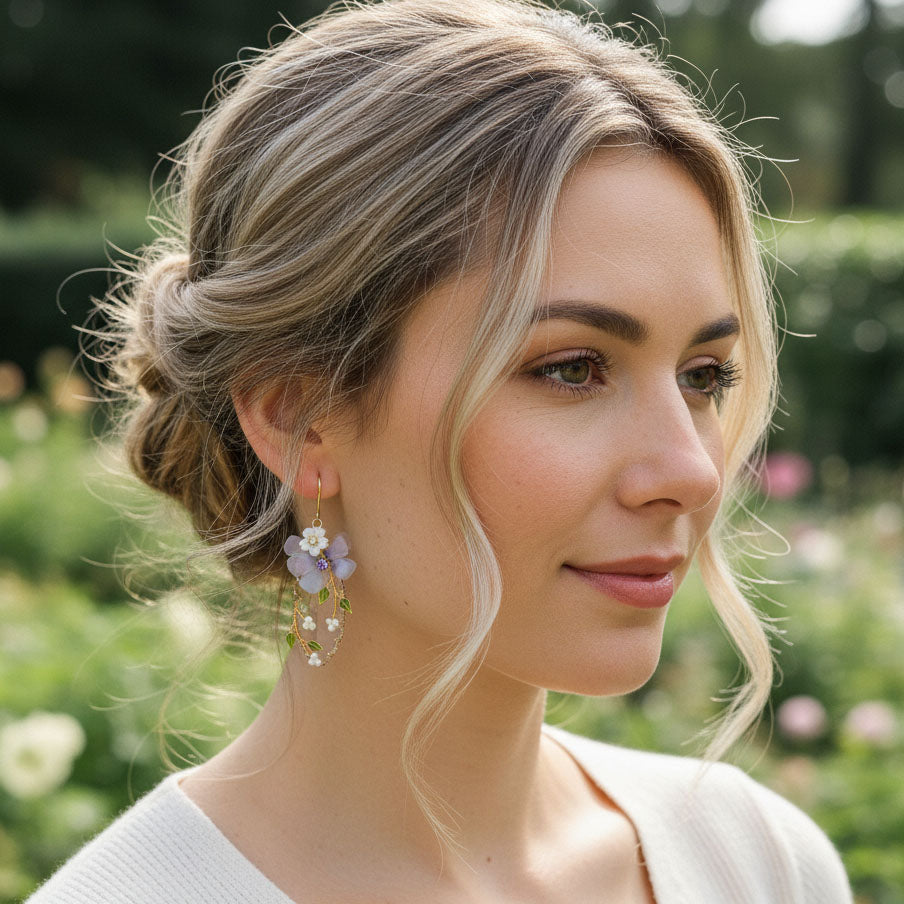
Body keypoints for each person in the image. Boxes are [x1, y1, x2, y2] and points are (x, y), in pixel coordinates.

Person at [25, 0, 853, 901]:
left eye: (705, 376)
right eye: (573, 368)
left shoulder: (759, 863)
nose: (693, 472)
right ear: (297, 417)